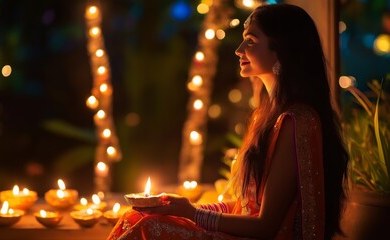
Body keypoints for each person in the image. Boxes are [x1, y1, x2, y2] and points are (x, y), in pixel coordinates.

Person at [107, 3, 348, 240]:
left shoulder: (296, 121)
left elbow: (265, 226)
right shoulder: (265, 116)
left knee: (150, 227)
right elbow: (244, 208)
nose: (239, 49)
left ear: (283, 50)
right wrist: (183, 208)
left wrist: (191, 213)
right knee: (135, 217)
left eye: (251, 41)